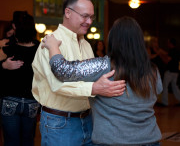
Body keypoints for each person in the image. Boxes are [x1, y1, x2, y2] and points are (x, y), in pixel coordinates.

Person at [42, 16, 163, 146]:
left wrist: (53, 46)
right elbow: (158, 90)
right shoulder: (153, 70)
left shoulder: (103, 66)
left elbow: (62, 70)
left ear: (113, 40)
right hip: (150, 141)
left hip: (113, 141)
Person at [32, 0, 126, 146]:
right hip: (60, 123)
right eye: (84, 16)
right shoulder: (50, 43)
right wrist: (95, 88)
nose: (89, 21)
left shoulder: (86, 44)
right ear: (68, 12)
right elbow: (58, 85)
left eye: (92, 17)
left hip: (88, 119)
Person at [0, 12, 40, 146]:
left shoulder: (6, 48)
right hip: (32, 101)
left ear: (14, 26)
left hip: (10, 100)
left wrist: (3, 65)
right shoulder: (40, 49)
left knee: (11, 142)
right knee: (28, 141)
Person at [158, 38, 180, 106]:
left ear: (170, 43)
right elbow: (168, 55)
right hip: (176, 72)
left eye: (168, 43)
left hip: (170, 72)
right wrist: (161, 52)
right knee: (175, 87)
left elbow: (167, 61)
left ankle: (165, 103)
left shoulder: (172, 51)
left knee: (165, 86)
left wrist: (160, 55)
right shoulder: (176, 51)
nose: (167, 44)